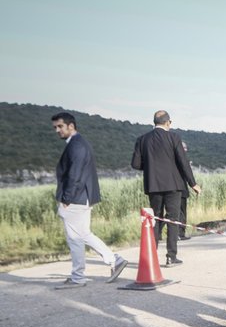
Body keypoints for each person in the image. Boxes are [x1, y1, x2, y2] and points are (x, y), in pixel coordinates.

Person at [51, 112, 128, 288]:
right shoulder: (78, 143)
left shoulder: (76, 145)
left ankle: (78, 277)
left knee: (74, 238)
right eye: (55, 127)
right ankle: (115, 260)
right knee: (83, 234)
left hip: (75, 199)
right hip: (82, 197)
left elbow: (75, 175)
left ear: (71, 126)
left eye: (60, 126)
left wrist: (67, 199)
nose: (57, 130)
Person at [132, 111, 201, 267]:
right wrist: (193, 184)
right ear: (168, 122)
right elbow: (183, 162)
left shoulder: (142, 139)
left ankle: (151, 256)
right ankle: (171, 256)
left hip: (153, 185)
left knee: (155, 219)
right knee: (172, 220)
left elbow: (135, 164)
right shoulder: (173, 137)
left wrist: (150, 167)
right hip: (173, 185)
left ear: (155, 122)